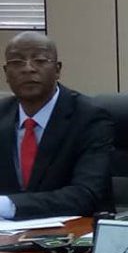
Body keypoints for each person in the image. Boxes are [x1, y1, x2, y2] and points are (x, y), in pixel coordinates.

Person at [0, 32, 113, 219]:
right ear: (6, 73)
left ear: (57, 70)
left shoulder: (89, 117)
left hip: (73, 232)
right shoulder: (2, 114)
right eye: (17, 62)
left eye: (40, 60)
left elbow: (86, 195)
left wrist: (9, 206)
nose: (28, 69)